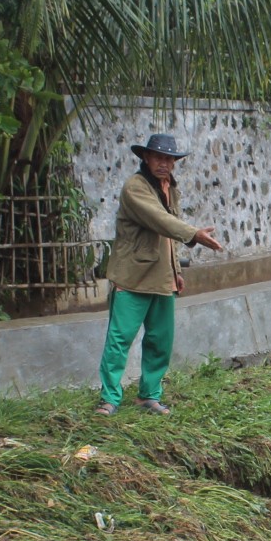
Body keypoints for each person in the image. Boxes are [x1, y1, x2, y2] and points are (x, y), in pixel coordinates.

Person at [95, 133, 222, 415]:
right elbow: (160, 220)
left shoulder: (169, 188)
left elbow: (167, 236)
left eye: (169, 159)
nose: (164, 163)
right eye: (159, 157)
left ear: (174, 163)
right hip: (133, 276)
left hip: (162, 277)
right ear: (146, 158)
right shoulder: (135, 188)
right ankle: (110, 399)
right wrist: (194, 234)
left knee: (160, 340)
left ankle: (148, 396)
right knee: (119, 339)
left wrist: (176, 270)